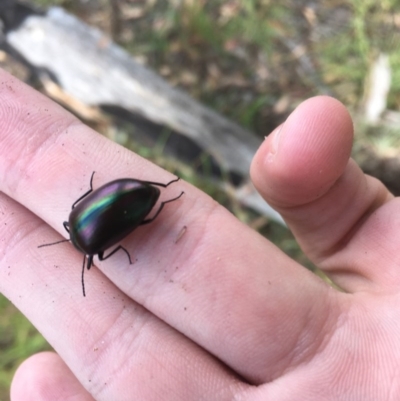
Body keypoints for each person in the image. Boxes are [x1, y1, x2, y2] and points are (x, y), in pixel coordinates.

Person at [0, 67, 397, 401]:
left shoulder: (92, 246)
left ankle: (162, 203)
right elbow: (88, 208)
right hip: (127, 193)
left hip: (131, 198)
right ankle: (162, 201)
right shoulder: (76, 223)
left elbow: (109, 240)